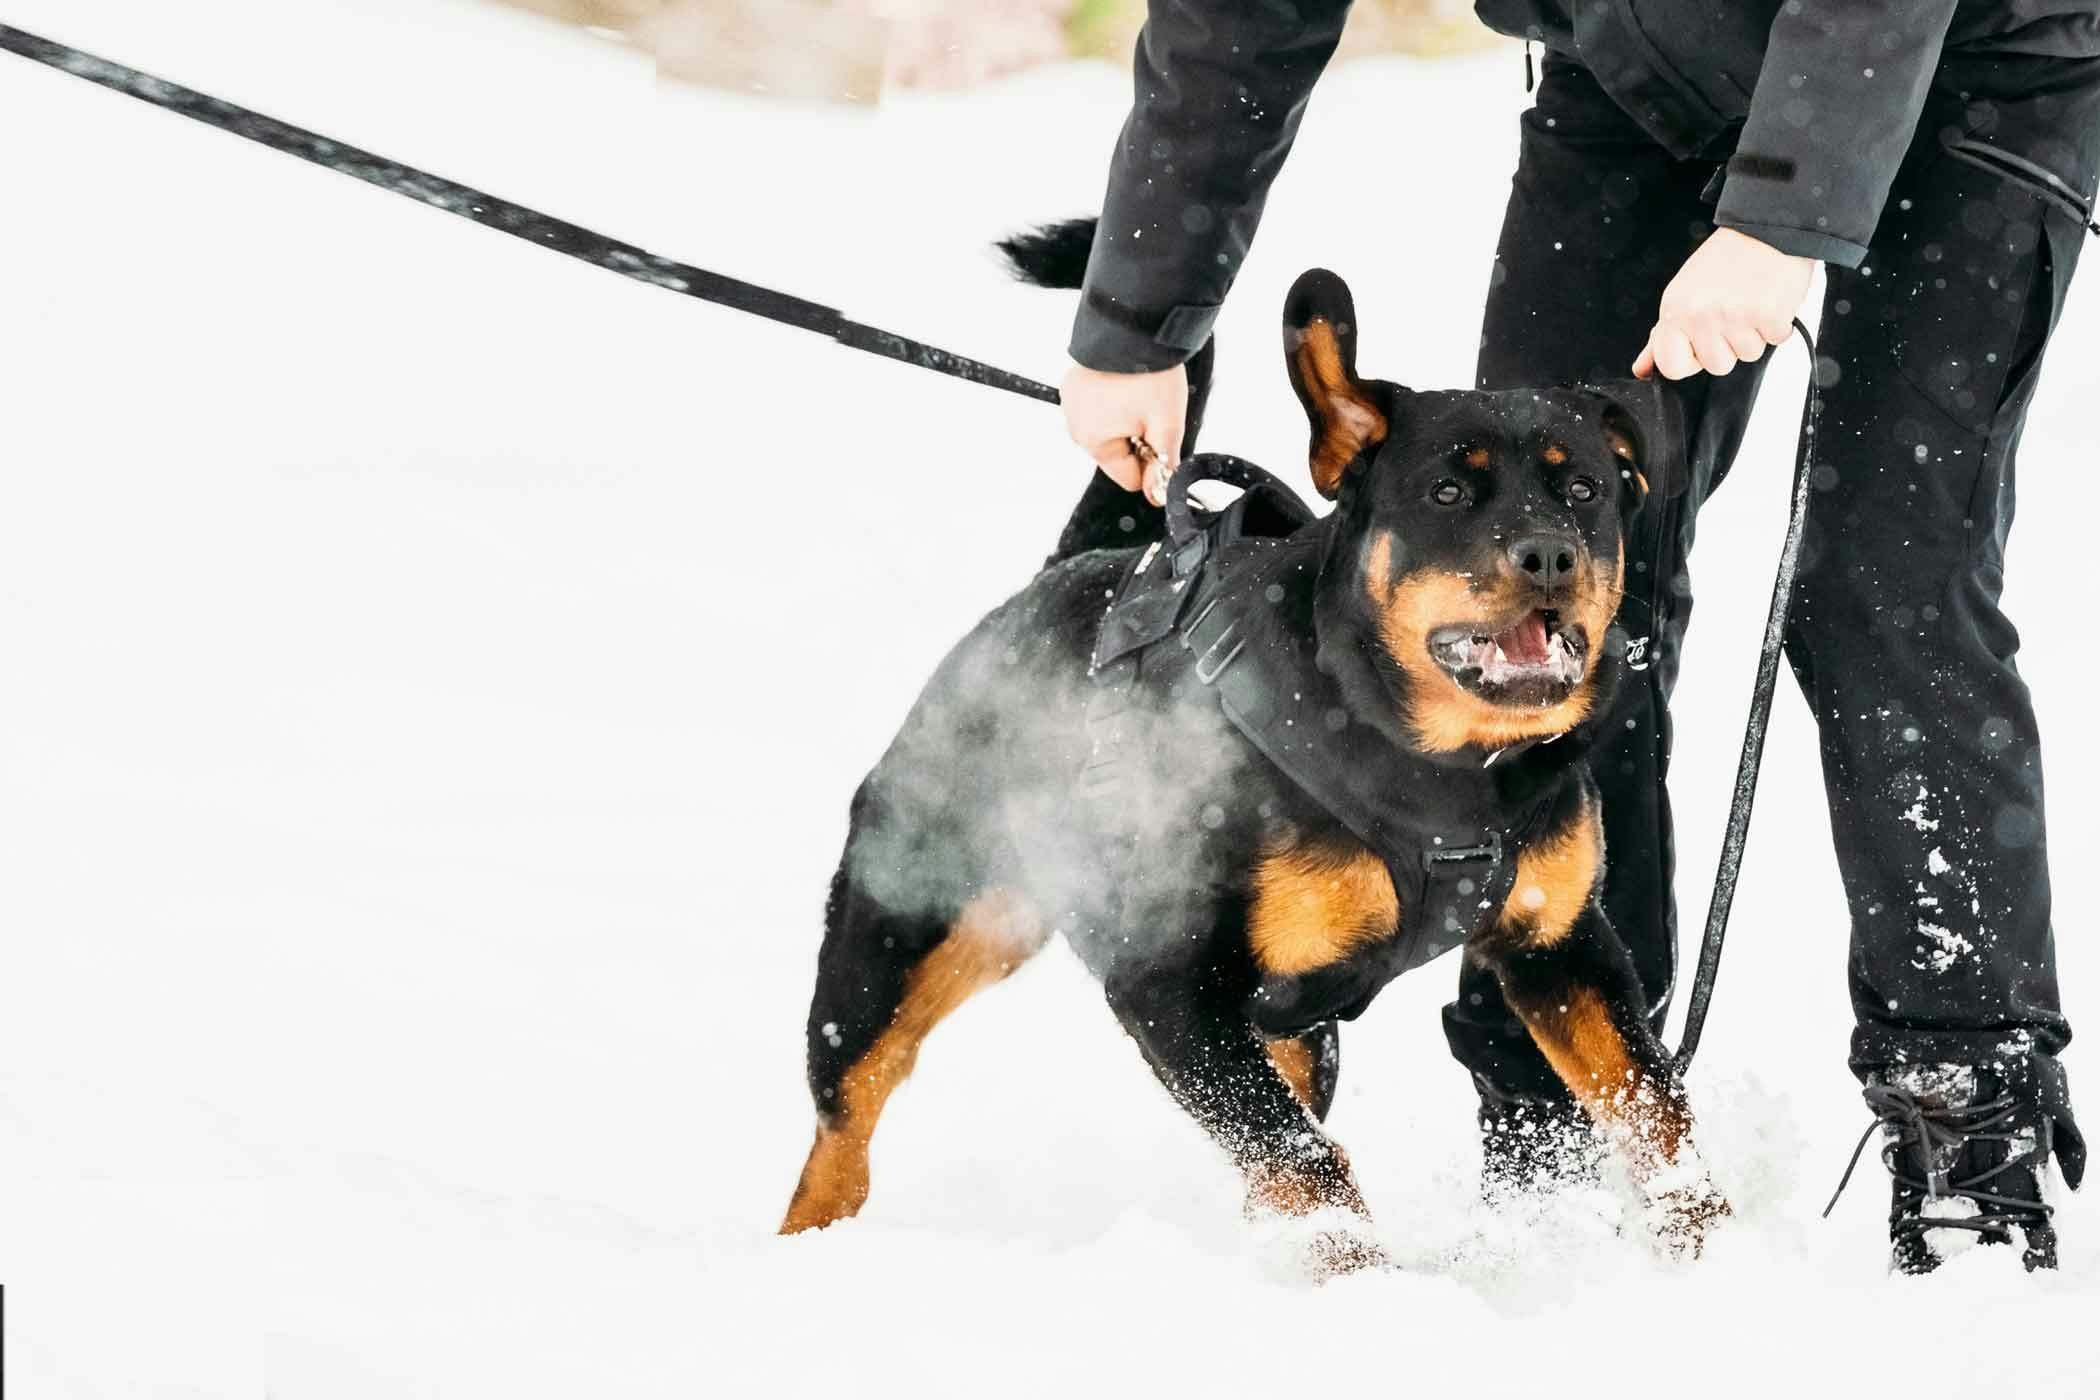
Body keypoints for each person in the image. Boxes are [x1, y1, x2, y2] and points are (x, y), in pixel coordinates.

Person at [1059, 0, 2099, 1272]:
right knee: (1540, 595)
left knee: (1883, 582)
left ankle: (1965, 1115)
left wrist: (1780, 207)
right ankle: (1555, 1102)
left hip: (1967, 72)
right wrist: (1135, 325)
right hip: (1644, 74)